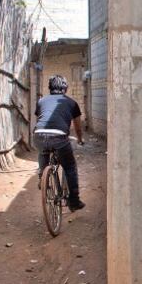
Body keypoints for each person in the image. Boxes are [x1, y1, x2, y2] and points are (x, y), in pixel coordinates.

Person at [35, 75, 86, 211]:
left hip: (38, 135)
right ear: (65, 88)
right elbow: (78, 127)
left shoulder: (41, 101)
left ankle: (42, 175)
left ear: (50, 88)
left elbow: (41, 118)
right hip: (59, 138)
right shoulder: (71, 103)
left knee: (43, 150)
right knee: (69, 166)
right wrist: (80, 140)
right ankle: (74, 200)